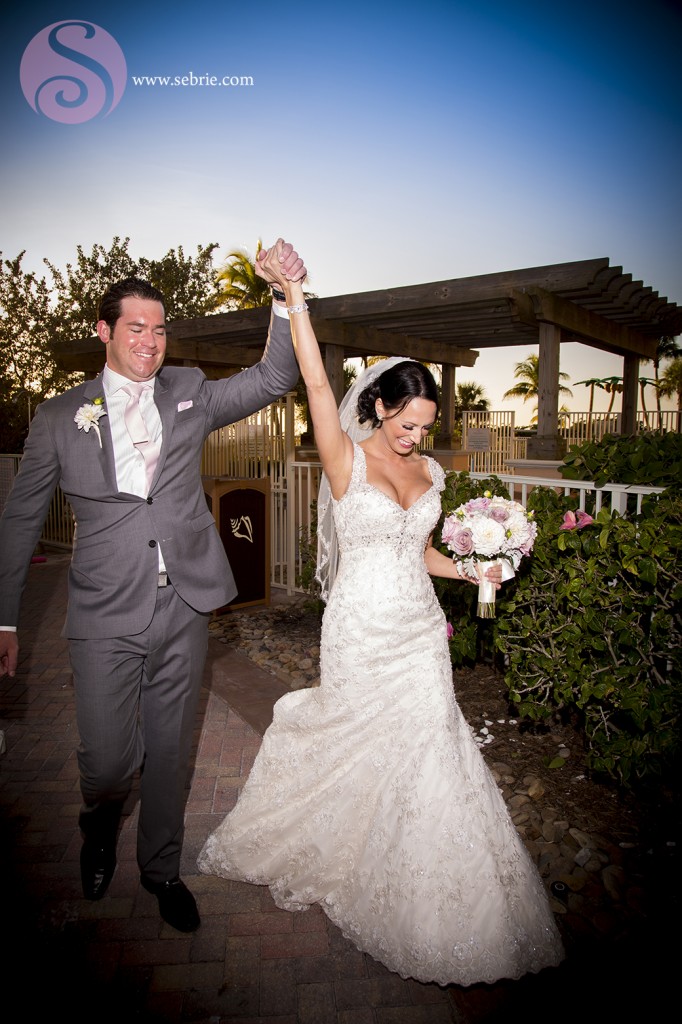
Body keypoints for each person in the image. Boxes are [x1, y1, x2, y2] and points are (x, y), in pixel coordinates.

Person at [198, 241, 565, 985]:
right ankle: (347, 851)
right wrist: (294, 298)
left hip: (419, 630)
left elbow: (420, 551)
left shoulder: (429, 471)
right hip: (361, 630)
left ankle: (440, 898)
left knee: (432, 749)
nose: (416, 437)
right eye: (407, 422)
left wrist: (475, 567)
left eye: (426, 426)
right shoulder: (344, 456)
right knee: (358, 742)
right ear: (378, 404)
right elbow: (312, 377)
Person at [0, 239, 306, 933]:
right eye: (135, 327)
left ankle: (162, 869)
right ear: (104, 332)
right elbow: (19, 521)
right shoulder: (59, 417)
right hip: (103, 611)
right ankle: (99, 822)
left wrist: (283, 296)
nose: (150, 341)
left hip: (184, 604)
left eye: (160, 328)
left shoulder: (190, 390)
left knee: (169, 750)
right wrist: (4, 619)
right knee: (109, 762)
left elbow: (273, 376)